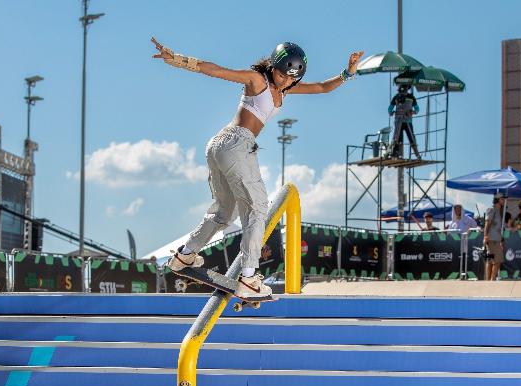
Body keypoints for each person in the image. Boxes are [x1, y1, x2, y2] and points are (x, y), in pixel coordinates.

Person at [153, 38, 363, 299]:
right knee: (257, 208)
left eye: (291, 79)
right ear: (273, 66)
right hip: (235, 144)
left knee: (223, 212)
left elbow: (322, 87)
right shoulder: (257, 80)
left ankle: (185, 256)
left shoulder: (285, 89)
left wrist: (348, 73)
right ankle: (250, 277)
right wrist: (177, 59)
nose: (285, 81)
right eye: (282, 74)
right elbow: (217, 70)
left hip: (221, 147)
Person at [388, 83, 421, 160]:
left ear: (407, 88)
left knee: (411, 137)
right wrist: (391, 112)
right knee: (397, 138)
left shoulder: (411, 97)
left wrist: (413, 112)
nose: (403, 90)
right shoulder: (396, 97)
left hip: (407, 121)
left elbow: (417, 108)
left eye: (404, 88)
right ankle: (396, 154)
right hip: (398, 120)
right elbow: (390, 108)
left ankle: (417, 155)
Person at [483, 193, 506, 281]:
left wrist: (501, 238)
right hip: (491, 239)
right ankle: (491, 280)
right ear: (497, 200)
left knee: (491, 260)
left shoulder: (498, 211)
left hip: (496, 239)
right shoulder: (492, 209)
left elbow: (496, 228)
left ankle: (489, 280)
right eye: (502, 199)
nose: (503, 200)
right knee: (498, 260)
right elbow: (487, 224)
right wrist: (485, 236)